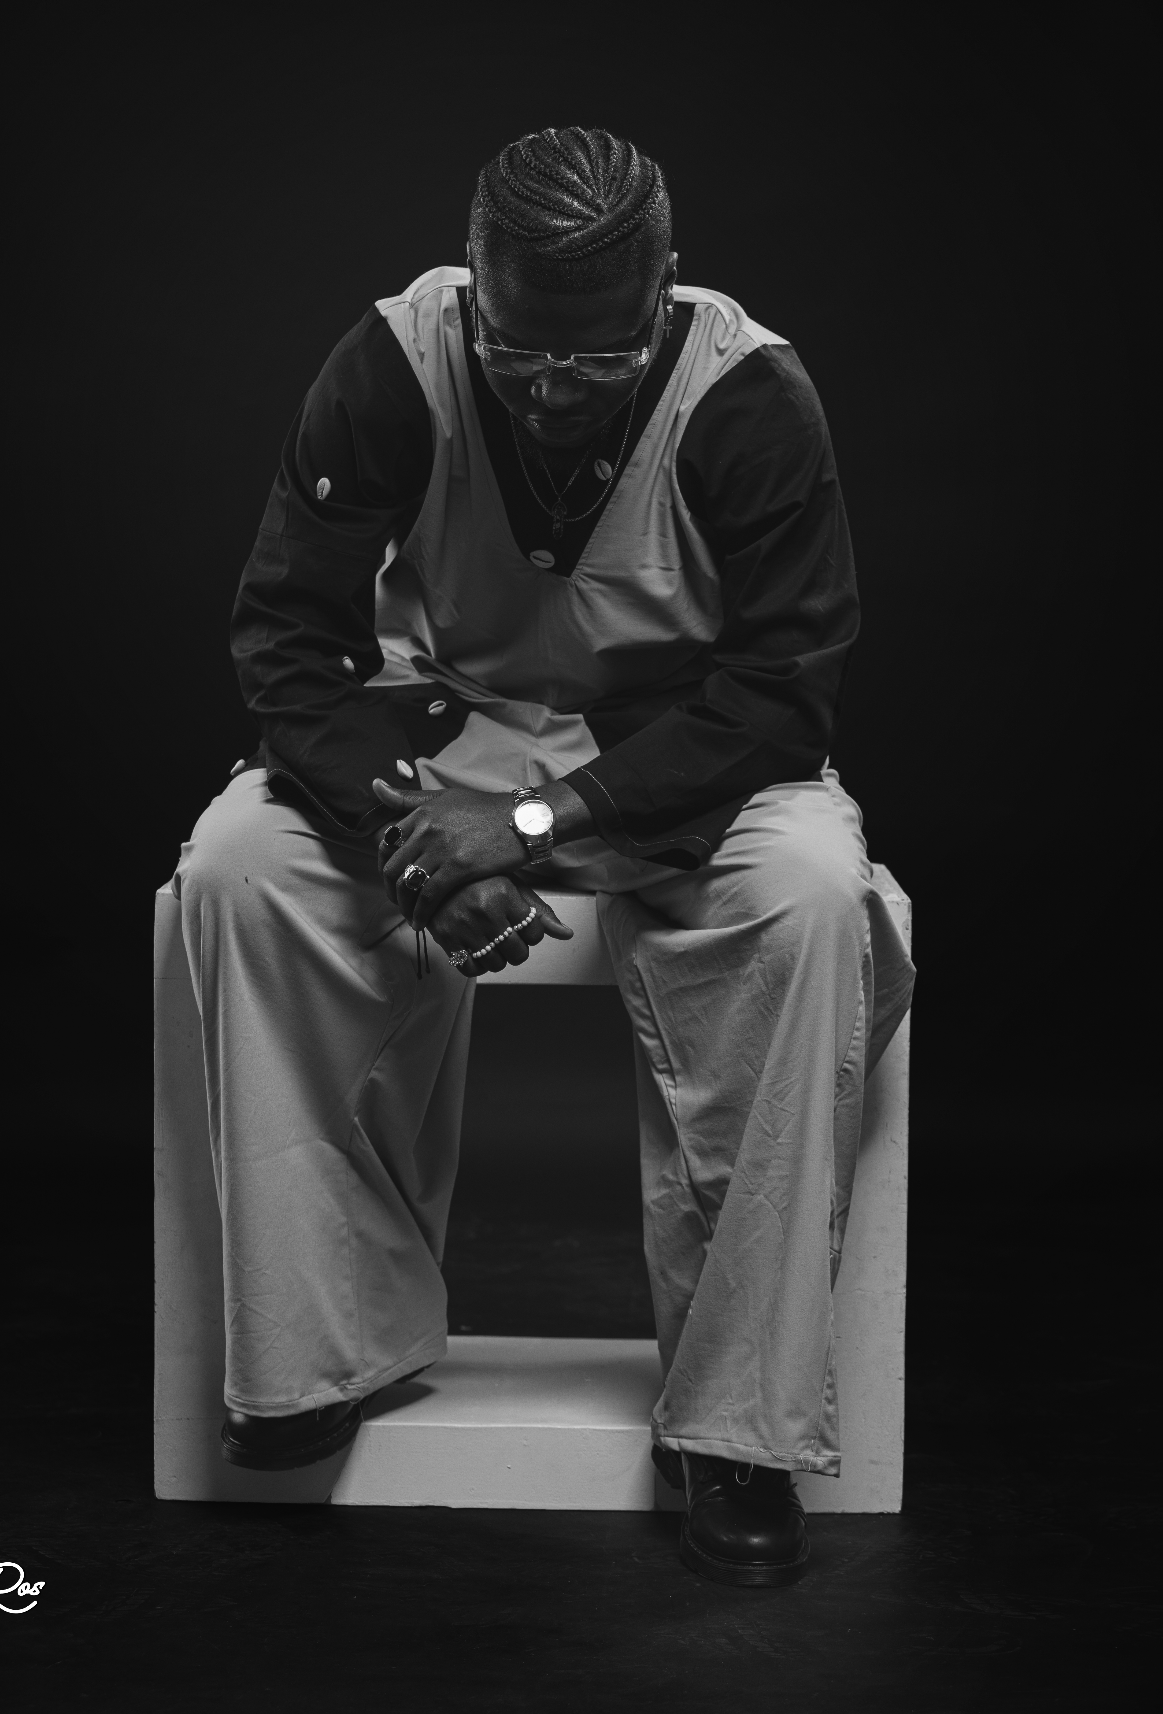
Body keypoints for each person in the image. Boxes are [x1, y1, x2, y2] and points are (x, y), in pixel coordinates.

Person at [177, 125, 915, 1586]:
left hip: (679, 755)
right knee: (237, 867)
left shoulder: (749, 394)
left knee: (813, 898)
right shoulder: (391, 364)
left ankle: (738, 1425)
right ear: (473, 289)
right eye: (518, 353)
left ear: (664, 288)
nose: (554, 390)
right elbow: (285, 638)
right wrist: (419, 834)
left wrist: (527, 828)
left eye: (599, 357)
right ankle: (318, 1351)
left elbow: (781, 695)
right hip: (446, 736)